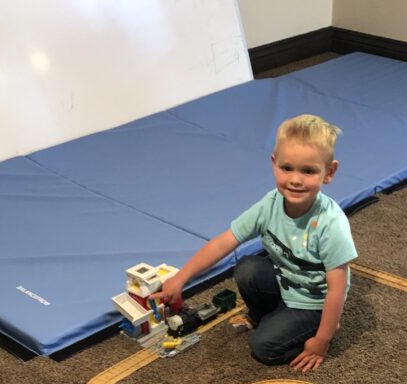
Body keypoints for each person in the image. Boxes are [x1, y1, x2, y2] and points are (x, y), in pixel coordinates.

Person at [152, 114, 357, 371]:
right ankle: (266, 316)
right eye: (287, 168)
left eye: (308, 171)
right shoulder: (270, 203)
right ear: (274, 164)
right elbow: (223, 242)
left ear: (329, 172)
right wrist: (181, 278)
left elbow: (337, 290)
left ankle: (321, 326)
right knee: (247, 267)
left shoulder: (330, 223)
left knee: (263, 348)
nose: (295, 179)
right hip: (286, 285)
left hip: (314, 303)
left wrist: (322, 340)